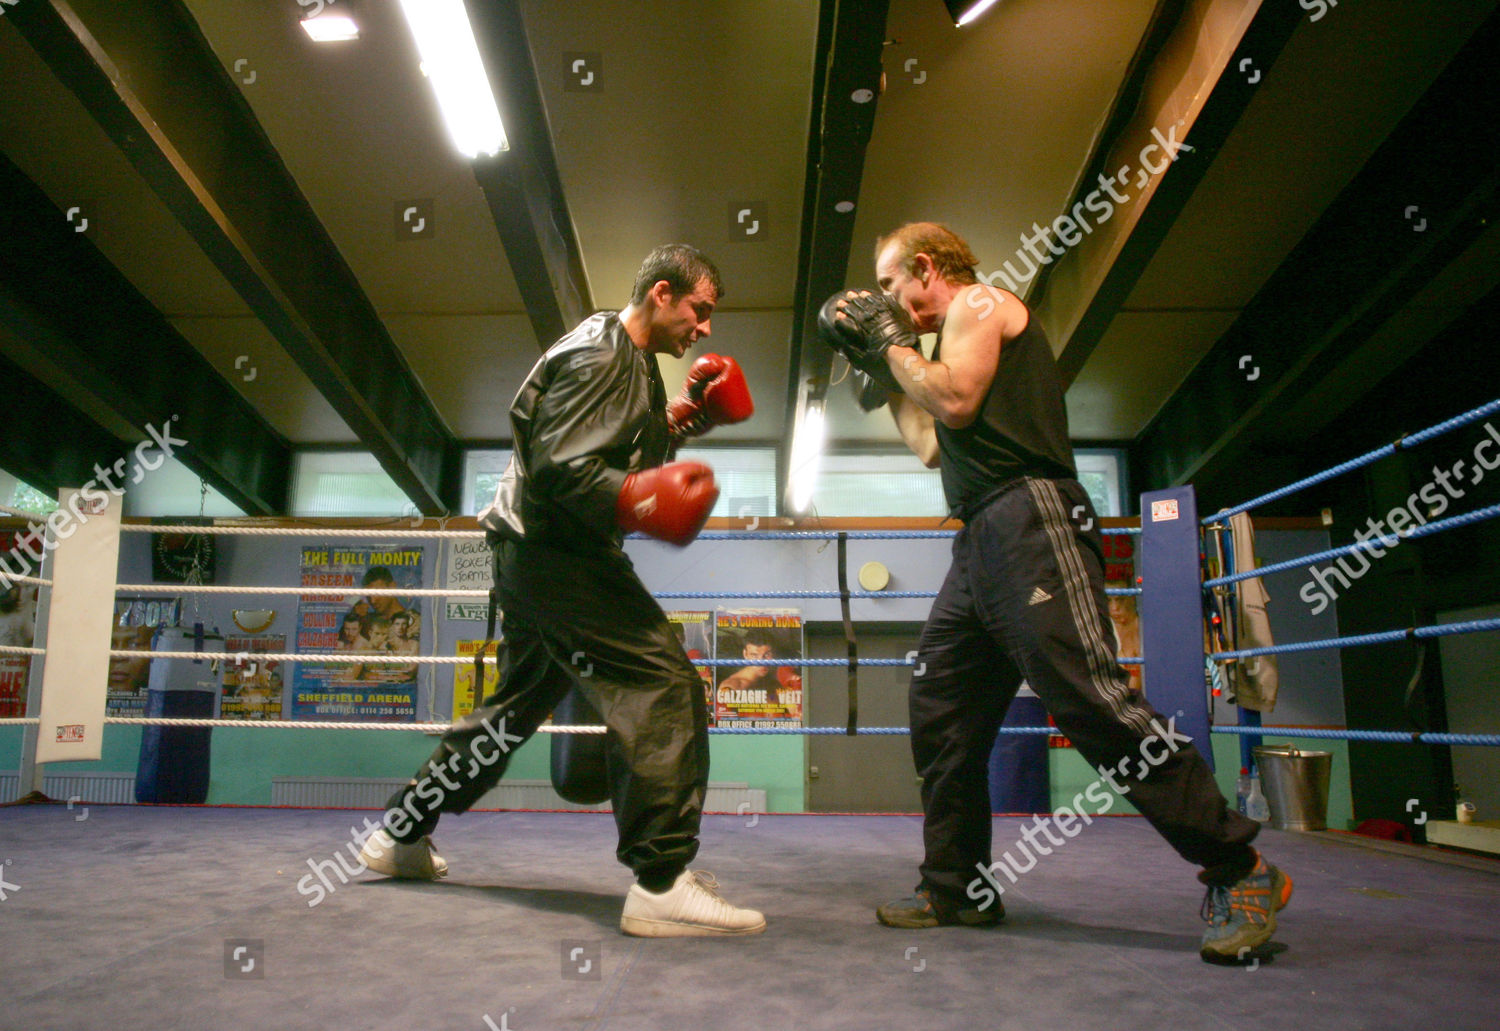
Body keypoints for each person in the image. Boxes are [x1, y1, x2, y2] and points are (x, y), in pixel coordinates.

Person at [819, 222, 1290, 963]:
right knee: (938, 698)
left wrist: (891, 347)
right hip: (978, 536)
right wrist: (882, 369)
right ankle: (957, 884)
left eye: (887, 283)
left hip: (1031, 513)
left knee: (1086, 696)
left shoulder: (978, 303)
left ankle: (1242, 867)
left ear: (925, 266)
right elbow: (935, 440)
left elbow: (961, 401)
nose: (883, 299)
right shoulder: (931, 352)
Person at [359, 244, 763, 937]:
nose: (704, 329)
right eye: (699, 311)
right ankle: (661, 883)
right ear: (661, 292)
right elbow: (560, 471)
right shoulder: (606, 354)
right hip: (559, 557)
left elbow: (593, 455)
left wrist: (666, 430)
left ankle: (399, 832)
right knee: (664, 684)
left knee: (508, 714)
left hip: (536, 557)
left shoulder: (626, 361)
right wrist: (639, 492)